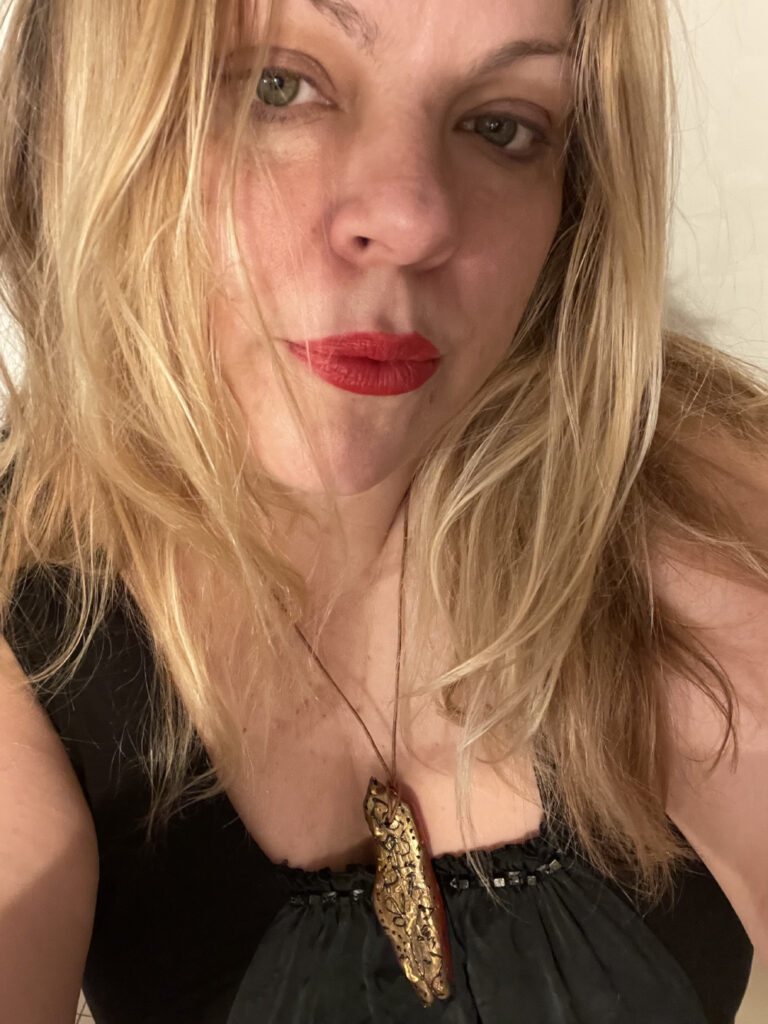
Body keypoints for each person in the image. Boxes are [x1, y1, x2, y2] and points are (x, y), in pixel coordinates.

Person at [0, 0, 766, 1020]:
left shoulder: (686, 493)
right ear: (88, 116)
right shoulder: (29, 613)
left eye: (501, 124)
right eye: (279, 86)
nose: (414, 220)